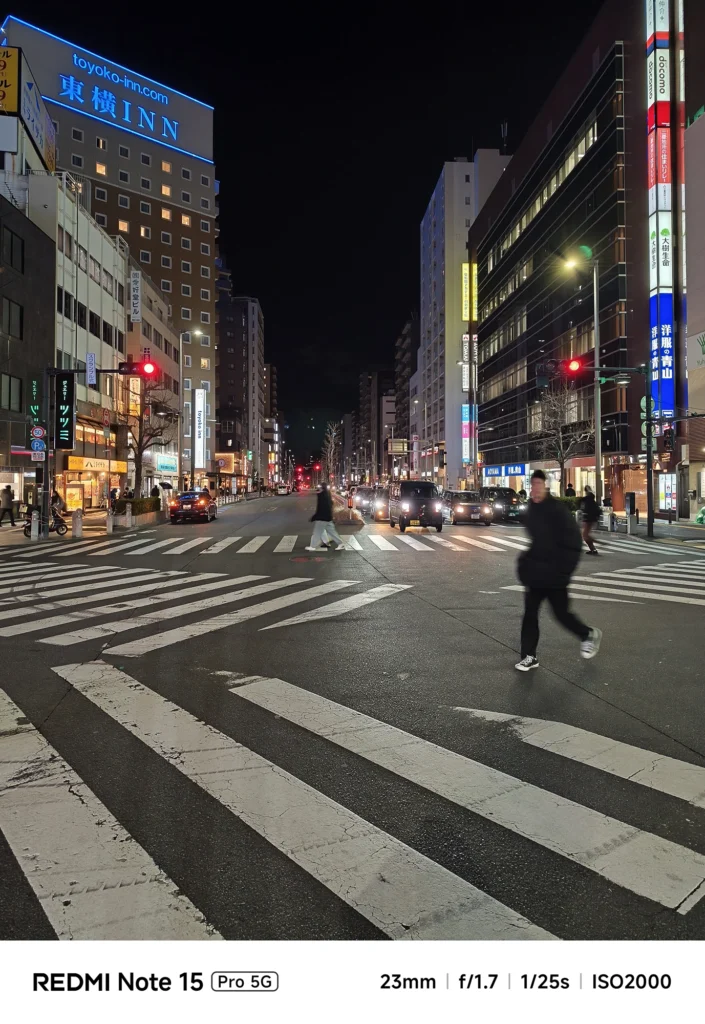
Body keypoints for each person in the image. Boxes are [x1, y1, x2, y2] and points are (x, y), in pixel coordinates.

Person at [515, 470, 602, 672]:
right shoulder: (532, 509)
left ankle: (587, 634)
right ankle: (529, 656)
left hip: (555, 574)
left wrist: (564, 571)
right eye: (532, 484)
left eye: (538, 484)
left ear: (545, 486)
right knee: (530, 614)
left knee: (561, 614)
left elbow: (573, 542)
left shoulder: (557, 510)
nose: (535, 488)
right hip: (537, 573)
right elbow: (536, 539)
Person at [306, 483, 345, 551]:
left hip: (322, 518)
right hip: (328, 517)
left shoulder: (322, 496)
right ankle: (340, 543)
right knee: (332, 532)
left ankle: (312, 546)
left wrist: (314, 517)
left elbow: (320, 508)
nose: (318, 489)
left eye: (319, 488)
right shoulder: (327, 495)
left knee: (317, 532)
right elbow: (330, 504)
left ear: (322, 488)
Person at [579, 485, 600, 555]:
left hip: (588, 518)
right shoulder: (591, 498)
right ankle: (593, 549)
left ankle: (596, 544)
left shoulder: (588, 498)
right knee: (585, 535)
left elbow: (580, 501)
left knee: (585, 535)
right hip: (590, 518)